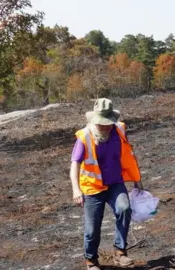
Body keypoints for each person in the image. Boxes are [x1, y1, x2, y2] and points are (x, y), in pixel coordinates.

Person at [70, 98, 144, 270]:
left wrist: (137, 179)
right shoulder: (85, 137)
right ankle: (91, 261)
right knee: (92, 229)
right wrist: (76, 189)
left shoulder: (119, 130)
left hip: (115, 184)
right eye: (101, 124)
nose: (105, 127)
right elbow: (75, 164)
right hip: (92, 188)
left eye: (108, 123)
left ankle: (120, 252)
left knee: (124, 208)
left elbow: (129, 155)